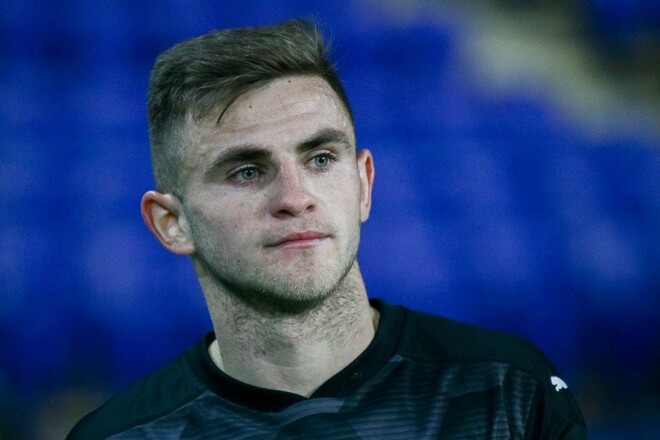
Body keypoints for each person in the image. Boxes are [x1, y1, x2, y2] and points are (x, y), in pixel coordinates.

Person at [68, 19, 587, 439]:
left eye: (319, 159)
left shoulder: (509, 391)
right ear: (173, 224)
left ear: (363, 184)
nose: (296, 199)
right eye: (246, 172)